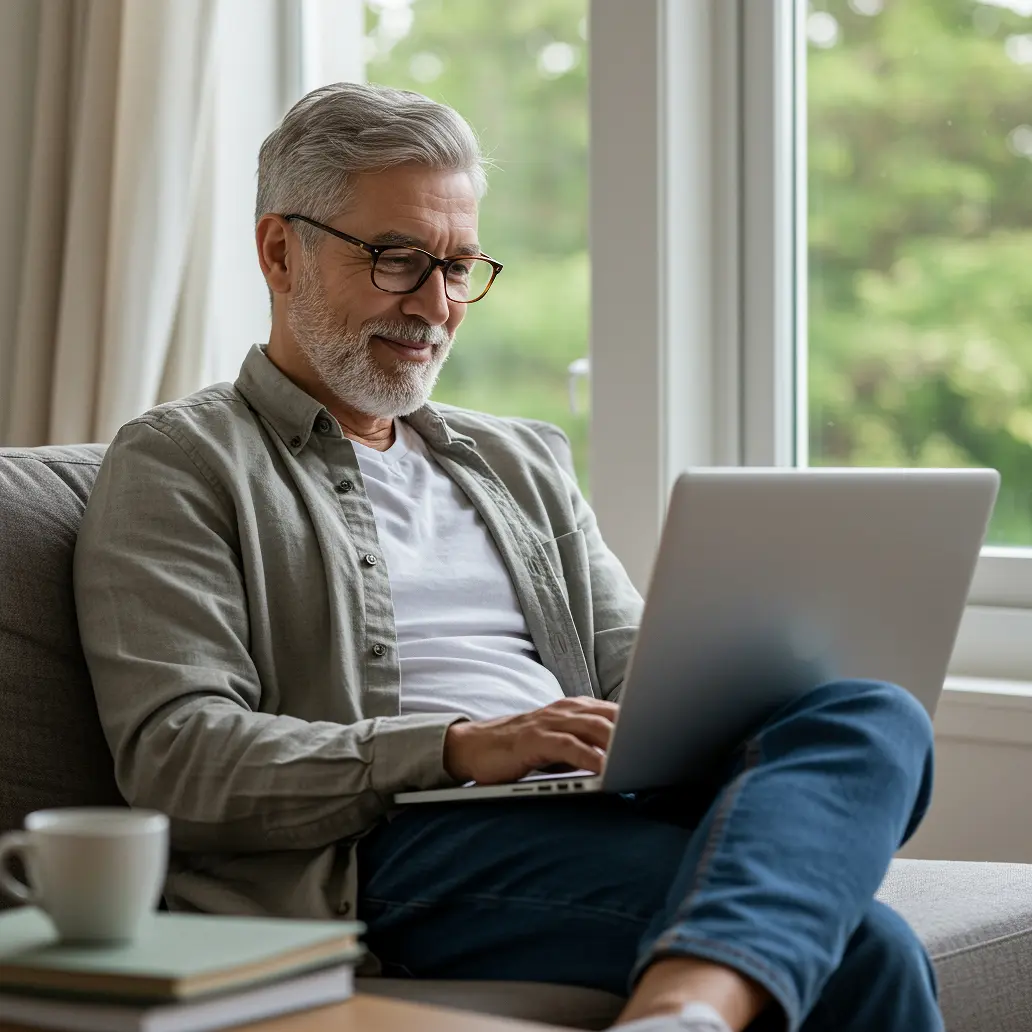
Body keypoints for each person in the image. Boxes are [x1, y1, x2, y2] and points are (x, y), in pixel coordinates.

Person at [74, 83, 941, 1032]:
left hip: (597, 801)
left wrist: (704, 716)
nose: (436, 307)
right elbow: (174, 756)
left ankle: (684, 1008)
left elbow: (636, 668)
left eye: (459, 266)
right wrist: (458, 747)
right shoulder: (181, 460)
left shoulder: (519, 460)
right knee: (867, 951)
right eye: (399, 260)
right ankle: (689, 1004)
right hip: (404, 841)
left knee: (870, 711)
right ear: (282, 251)